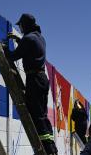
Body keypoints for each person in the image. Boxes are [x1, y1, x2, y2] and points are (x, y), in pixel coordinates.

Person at [7, 13, 58, 155]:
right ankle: (52, 149)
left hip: (34, 80)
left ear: (25, 25)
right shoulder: (40, 38)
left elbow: (13, 56)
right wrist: (19, 40)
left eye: (21, 25)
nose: (20, 28)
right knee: (42, 115)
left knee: (36, 116)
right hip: (42, 79)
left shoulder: (28, 39)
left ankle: (46, 149)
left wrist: (3, 48)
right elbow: (31, 49)